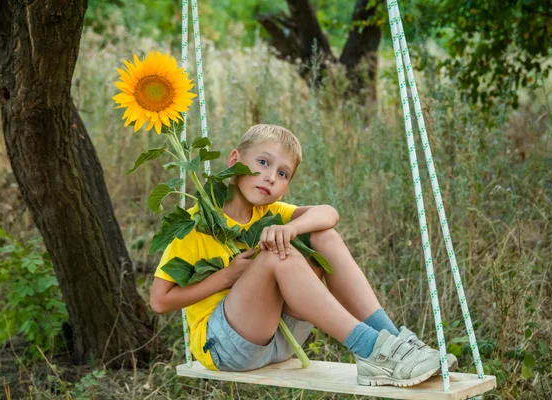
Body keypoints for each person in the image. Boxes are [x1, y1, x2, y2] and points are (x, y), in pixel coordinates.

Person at [150, 124, 454, 387]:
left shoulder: (270, 214)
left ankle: (394, 341)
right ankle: (371, 349)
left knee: (322, 235)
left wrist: (292, 228)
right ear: (234, 161)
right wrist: (227, 275)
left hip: (281, 339)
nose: (270, 177)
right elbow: (160, 301)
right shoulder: (195, 224)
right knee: (273, 256)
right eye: (263, 162)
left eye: (282, 173)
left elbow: (328, 214)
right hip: (224, 346)